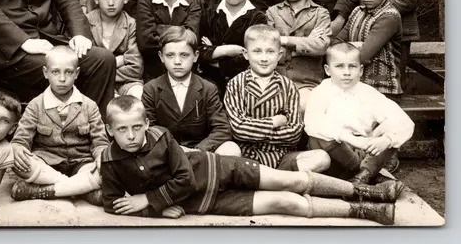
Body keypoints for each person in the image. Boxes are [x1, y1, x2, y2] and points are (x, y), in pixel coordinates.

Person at [100, 95, 403, 225]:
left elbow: (186, 179)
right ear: (110, 130)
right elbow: (110, 201)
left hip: (219, 169)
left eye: (137, 127)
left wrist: (151, 199)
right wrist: (155, 211)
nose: (131, 135)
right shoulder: (110, 160)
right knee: (287, 202)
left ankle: (367, 192)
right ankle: (361, 211)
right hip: (205, 203)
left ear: (146, 123)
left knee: (291, 180)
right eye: (122, 129)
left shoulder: (161, 136)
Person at [223, 25, 330, 173]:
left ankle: (271, 181)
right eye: (257, 51)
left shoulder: (288, 86)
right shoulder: (236, 84)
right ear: (246, 54)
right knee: (227, 152)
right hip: (246, 157)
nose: (264, 58)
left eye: (270, 52)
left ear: (279, 55)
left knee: (322, 158)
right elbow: (238, 129)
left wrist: (253, 130)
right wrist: (273, 122)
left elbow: (294, 133)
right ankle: (278, 184)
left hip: (280, 157)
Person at [9, 46, 108, 205]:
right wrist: (18, 148)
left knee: (107, 167)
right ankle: (78, 189)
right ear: (45, 72)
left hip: (81, 163)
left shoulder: (89, 105)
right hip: (46, 166)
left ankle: (46, 191)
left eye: (68, 72)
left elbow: (100, 142)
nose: (62, 79)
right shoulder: (36, 105)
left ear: (76, 73)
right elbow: (21, 140)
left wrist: (102, 157)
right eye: (55, 72)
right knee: (15, 160)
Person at [305, 43, 414, 184]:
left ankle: (361, 178)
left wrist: (385, 140)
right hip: (334, 155)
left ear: (361, 70)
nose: (346, 72)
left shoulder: (368, 93)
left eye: (352, 66)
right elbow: (312, 123)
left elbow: (404, 121)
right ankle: (366, 175)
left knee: (390, 130)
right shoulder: (321, 92)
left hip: (362, 151)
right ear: (327, 70)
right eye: (339, 66)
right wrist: (352, 140)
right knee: (320, 135)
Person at [142, 27, 240, 157]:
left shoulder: (208, 88)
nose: (177, 62)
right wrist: (173, 150)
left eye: (184, 55)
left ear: (195, 56)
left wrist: (198, 150)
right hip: (166, 153)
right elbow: (149, 129)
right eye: (170, 55)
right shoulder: (151, 89)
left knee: (231, 149)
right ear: (161, 57)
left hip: (199, 151)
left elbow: (222, 128)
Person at [267, 0, 332, 112]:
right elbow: (269, 50)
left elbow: (320, 47)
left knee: (303, 105)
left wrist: (284, 40)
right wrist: (306, 43)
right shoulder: (273, 12)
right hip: (276, 80)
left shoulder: (320, 14)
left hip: (307, 82)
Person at [333, 0, 404, 100]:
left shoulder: (389, 17)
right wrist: (358, 46)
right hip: (355, 86)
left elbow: (364, 56)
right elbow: (335, 43)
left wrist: (349, 47)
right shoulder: (356, 11)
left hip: (382, 89)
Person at [198, 0, 267, 97]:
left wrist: (214, 54)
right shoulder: (209, 14)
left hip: (245, 85)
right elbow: (199, 52)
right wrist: (228, 50)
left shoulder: (257, 18)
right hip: (211, 84)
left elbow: (250, 57)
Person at [136, 0, 201, 81]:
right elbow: (146, 43)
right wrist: (180, 31)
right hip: (153, 75)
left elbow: (191, 41)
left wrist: (159, 28)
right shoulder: (145, 2)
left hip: (186, 75)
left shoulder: (192, 6)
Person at [86, 0, 143, 99]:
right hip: (95, 83)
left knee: (139, 96)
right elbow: (84, 66)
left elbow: (136, 67)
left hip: (126, 82)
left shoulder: (131, 24)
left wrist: (103, 69)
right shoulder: (87, 22)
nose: (111, 3)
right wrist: (121, 59)